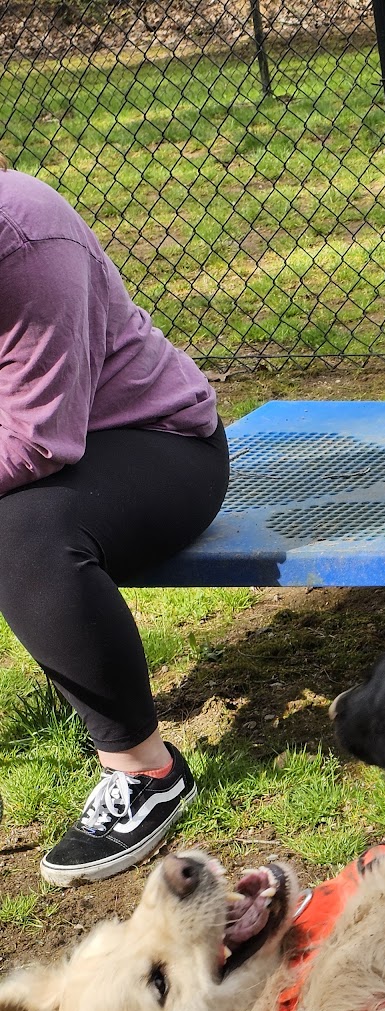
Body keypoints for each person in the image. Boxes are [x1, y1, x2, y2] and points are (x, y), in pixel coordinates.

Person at [0, 164, 229, 886]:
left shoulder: (23, 238)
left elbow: (39, 438)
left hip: (157, 444)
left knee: (17, 533)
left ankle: (144, 771)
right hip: (48, 449)